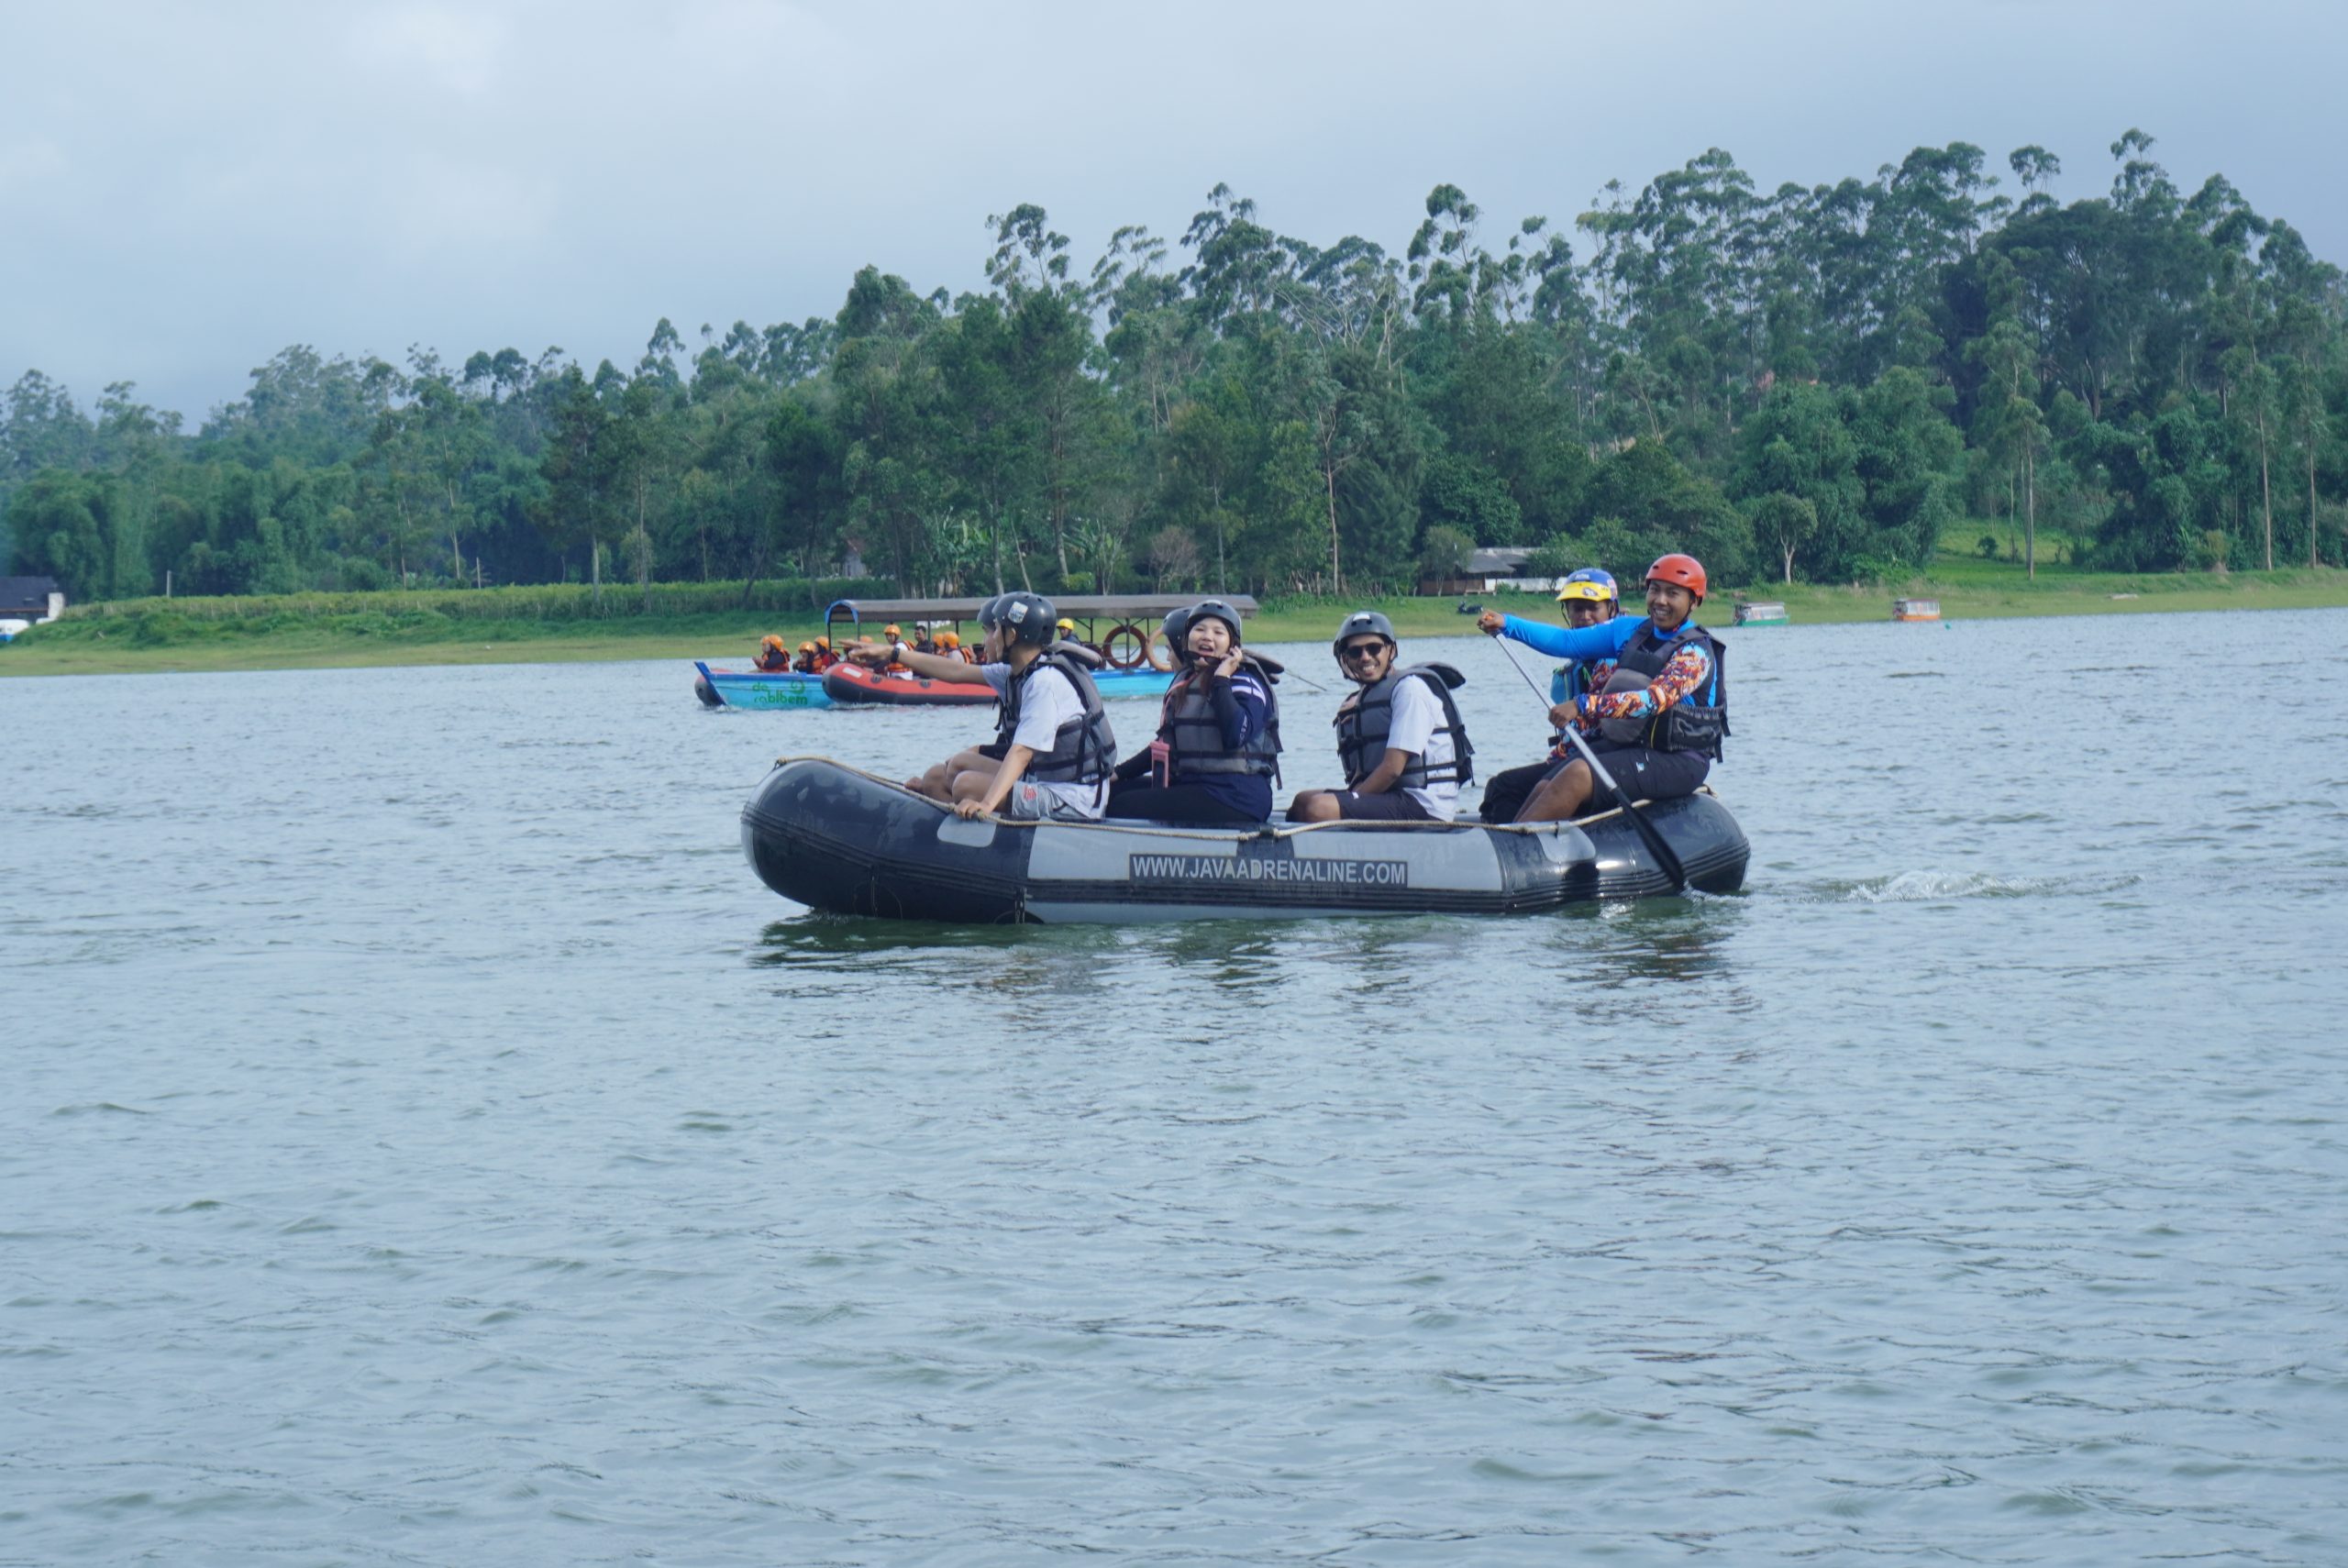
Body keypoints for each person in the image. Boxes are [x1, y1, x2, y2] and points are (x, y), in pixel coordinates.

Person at [1476, 553, 1726, 822]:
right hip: (1630, 746)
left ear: (1694, 601)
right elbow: (1566, 641)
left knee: (1577, 775)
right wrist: (1508, 624)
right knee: (1545, 784)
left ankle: (1518, 848)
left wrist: (1582, 705)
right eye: (1655, 590)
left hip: (1678, 759)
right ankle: (1510, 843)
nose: (1660, 600)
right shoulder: (1629, 630)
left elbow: (1654, 700)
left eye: (1672, 593)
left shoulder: (1695, 652)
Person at [856, 591, 1118, 822]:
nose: (989, 638)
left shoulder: (1045, 682)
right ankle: (949, 839)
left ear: (1011, 635)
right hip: (1044, 781)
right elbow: (956, 671)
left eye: (993, 630)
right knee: (939, 775)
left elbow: (1021, 753)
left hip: (1072, 798)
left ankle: (981, 842)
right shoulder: (1016, 672)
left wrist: (986, 803)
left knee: (966, 785)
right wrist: (893, 654)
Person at [1105, 599, 1281, 823]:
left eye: (1218, 632)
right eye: (1199, 629)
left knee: (1123, 806)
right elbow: (1167, 746)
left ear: (1232, 644)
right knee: (1111, 792)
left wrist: (1221, 679)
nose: (1207, 636)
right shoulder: (1188, 682)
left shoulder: (1245, 682)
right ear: (1187, 638)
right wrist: (1117, 773)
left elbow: (1235, 735)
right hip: (1196, 786)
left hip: (1236, 796)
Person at [1287, 611, 1473, 823]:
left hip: (1424, 804)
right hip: (1393, 797)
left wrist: (1353, 798)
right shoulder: (1365, 696)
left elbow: (1392, 769)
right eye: (1356, 652)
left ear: (1391, 650)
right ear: (1345, 659)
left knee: (1318, 808)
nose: (1365, 657)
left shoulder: (1410, 689)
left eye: (1374, 648)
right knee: (1302, 801)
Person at [1478, 568, 1621, 823]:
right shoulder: (1573, 667)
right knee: (1501, 786)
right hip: (1576, 755)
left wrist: (1508, 624)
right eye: (1577, 609)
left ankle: (1511, 847)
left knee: (1505, 786)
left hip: (1604, 756)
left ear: (1612, 609)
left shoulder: (1617, 656)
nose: (1584, 617)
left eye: (1593, 608)